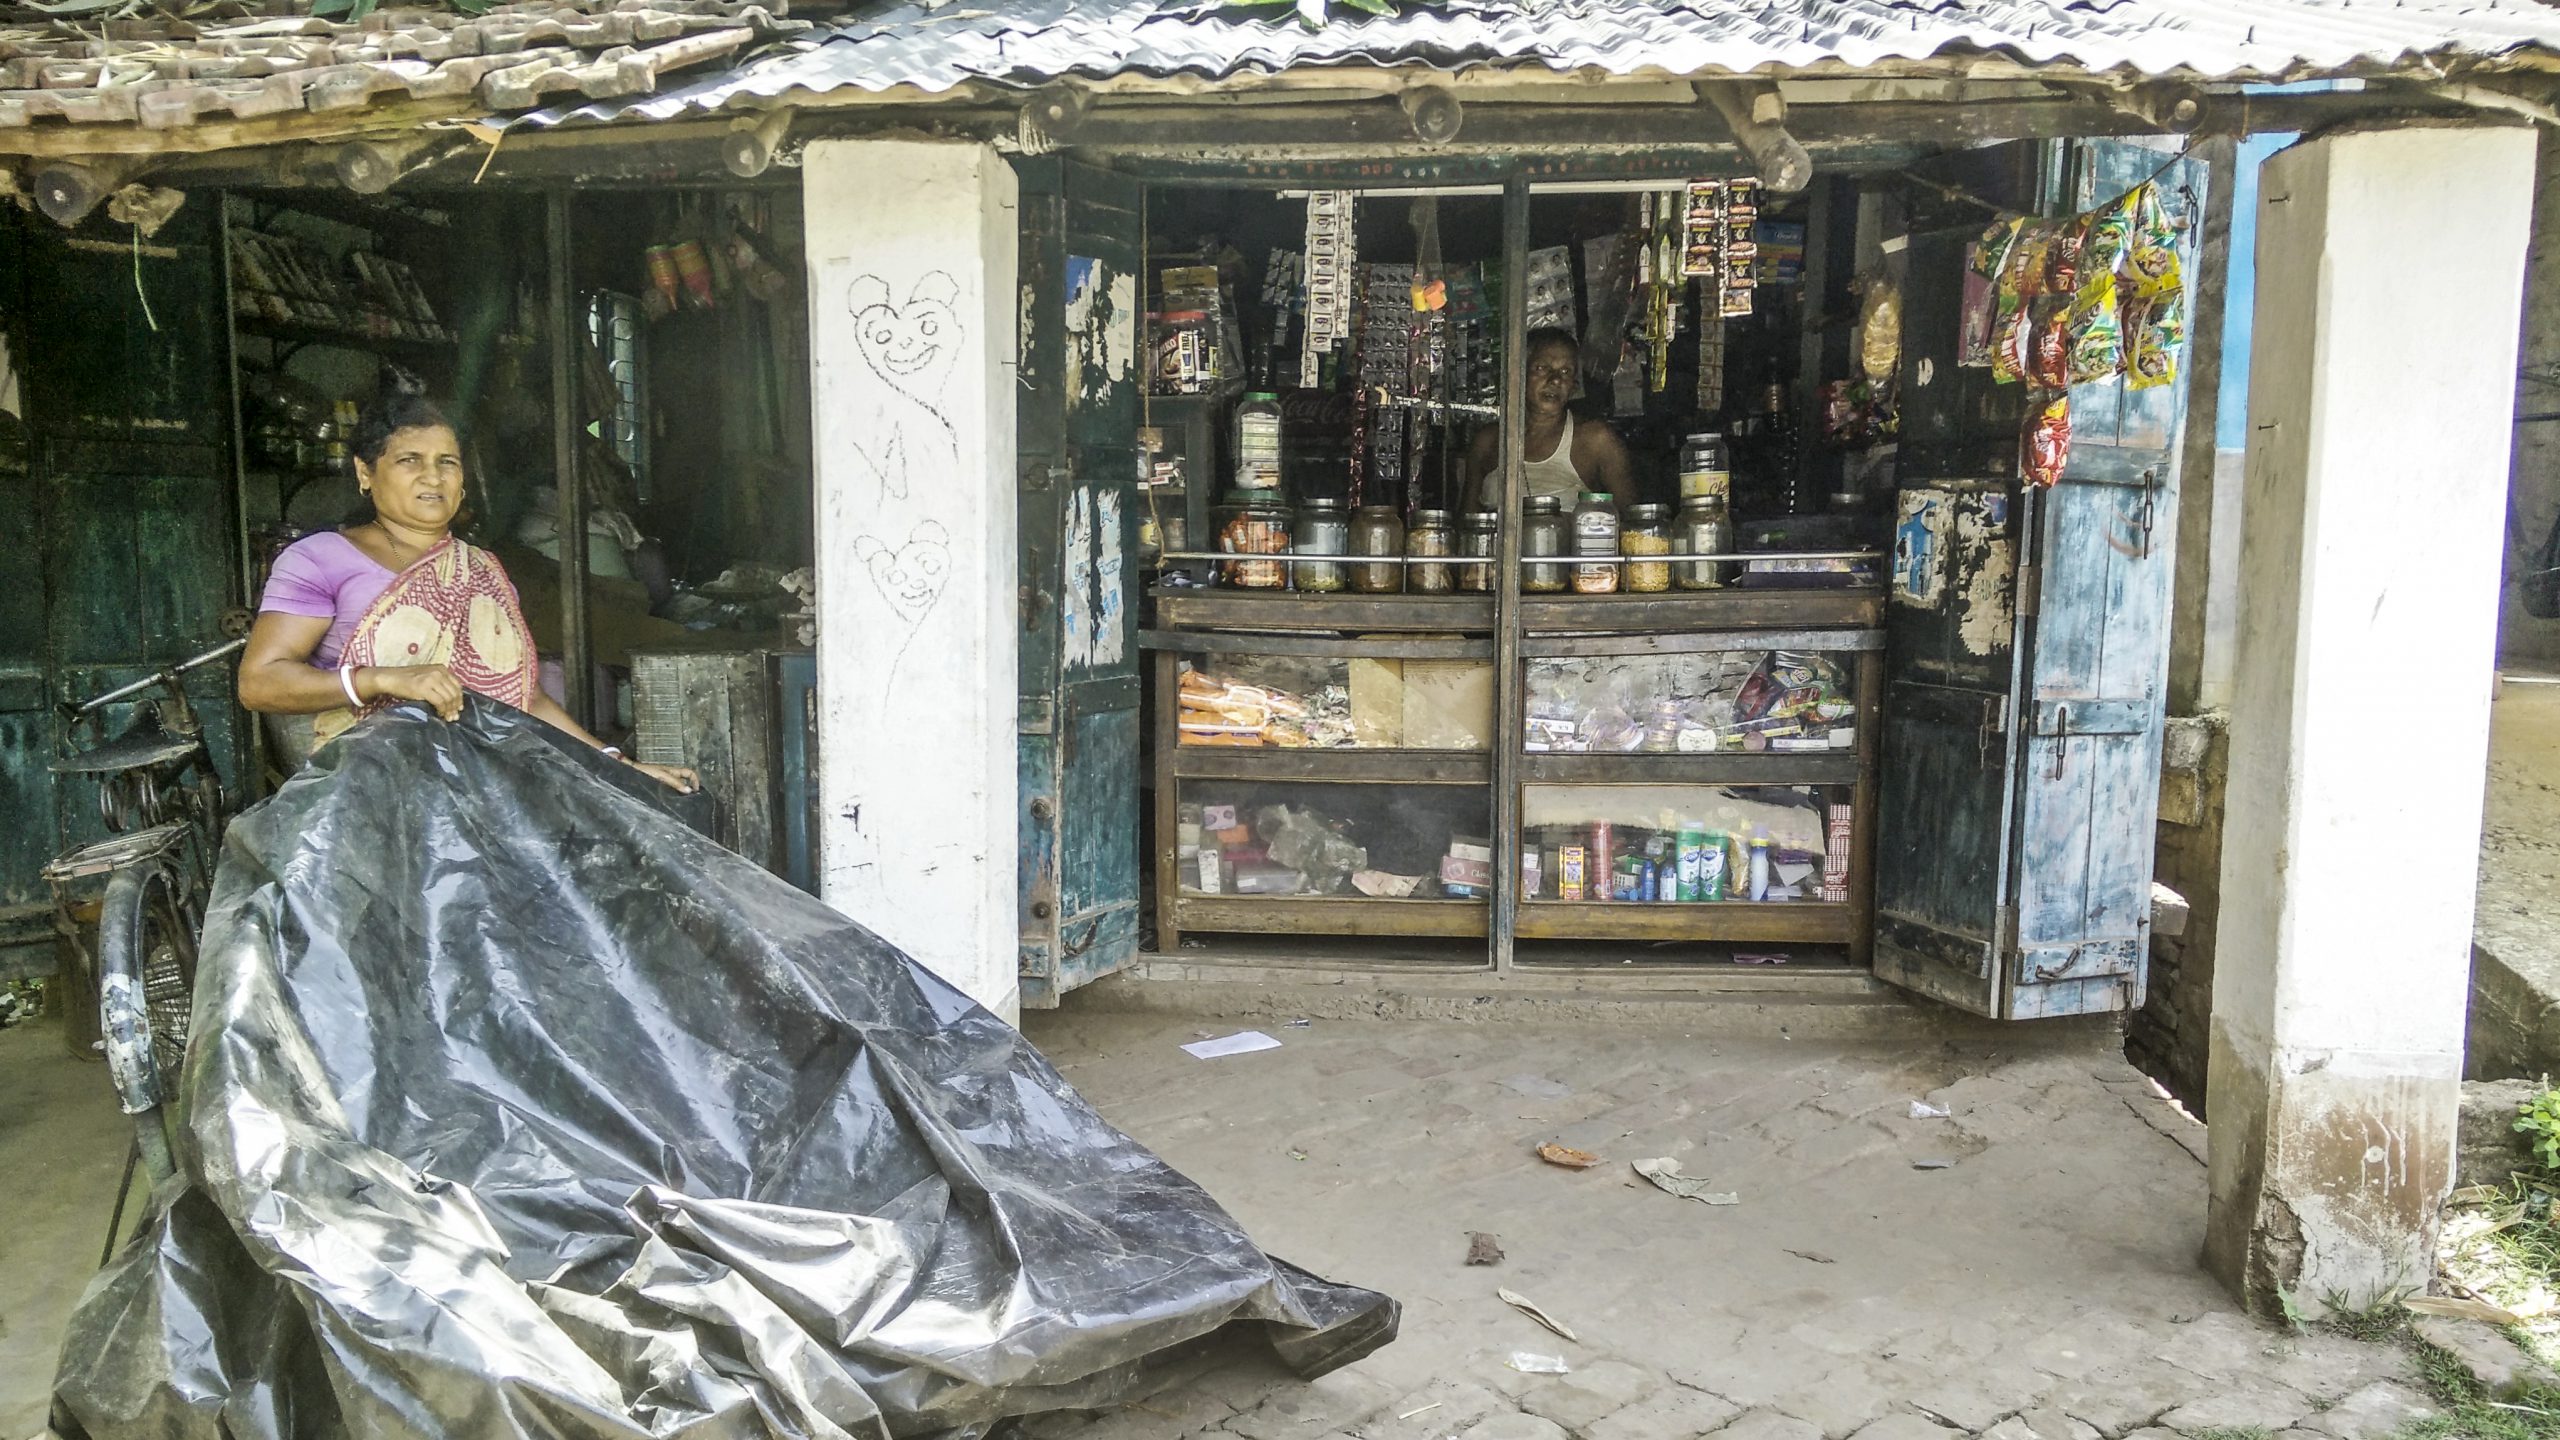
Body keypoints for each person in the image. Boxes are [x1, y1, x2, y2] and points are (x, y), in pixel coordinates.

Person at [238, 393, 698, 793]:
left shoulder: (480, 569)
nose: (432, 477)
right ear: (365, 472)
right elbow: (260, 684)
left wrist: (618, 766)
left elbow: (522, 698)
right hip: (365, 802)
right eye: (409, 460)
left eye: (447, 462)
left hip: (478, 796)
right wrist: (379, 679)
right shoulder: (320, 559)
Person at [1464, 328, 1636, 513]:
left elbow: (1631, 520)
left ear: (1573, 386)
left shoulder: (1596, 439)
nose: (1555, 380)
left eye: (1565, 371)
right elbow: (1467, 520)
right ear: (1519, 374)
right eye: (1542, 368)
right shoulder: (1488, 441)